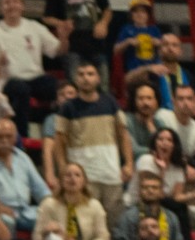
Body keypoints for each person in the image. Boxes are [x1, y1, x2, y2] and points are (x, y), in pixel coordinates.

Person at [46, 62, 131, 223]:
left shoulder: (111, 103)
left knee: (114, 223)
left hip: (111, 174)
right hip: (84, 178)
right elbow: (59, 141)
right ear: (76, 79)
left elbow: (123, 134)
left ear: (98, 78)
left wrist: (129, 164)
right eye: (81, 74)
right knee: (86, 223)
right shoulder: (68, 108)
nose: (86, 78)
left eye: (90, 74)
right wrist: (63, 168)